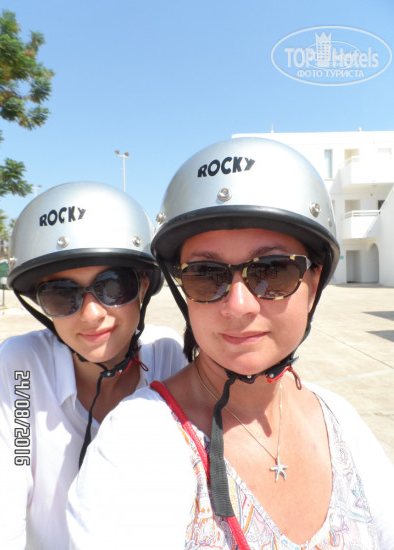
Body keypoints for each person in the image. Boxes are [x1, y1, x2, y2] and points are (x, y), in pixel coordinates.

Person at [67, 139, 394, 549]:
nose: (238, 306)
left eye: (272, 271)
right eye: (206, 274)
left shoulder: (341, 419)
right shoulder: (136, 443)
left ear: (312, 285)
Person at [0, 181, 187, 549]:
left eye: (114, 286)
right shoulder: (22, 368)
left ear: (143, 286)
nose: (92, 315)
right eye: (61, 295)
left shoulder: (166, 354)